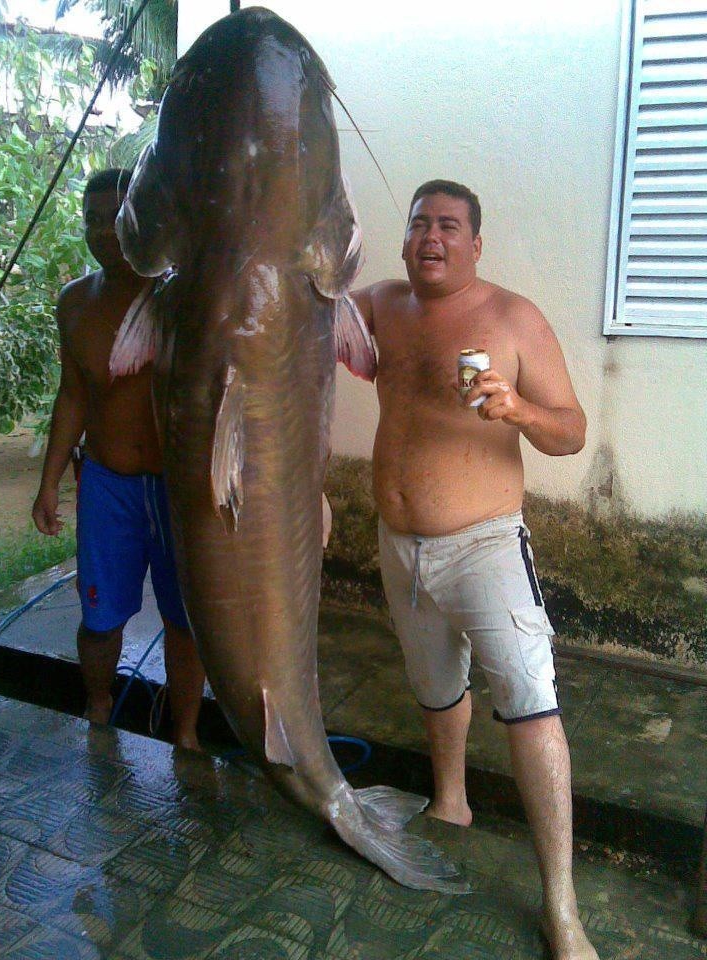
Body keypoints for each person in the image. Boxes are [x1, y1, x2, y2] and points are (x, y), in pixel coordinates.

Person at [352, 180, 597, 960]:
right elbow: (299, 315)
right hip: (401, 545)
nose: (432, 236)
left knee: (530, 705)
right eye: (420, 223)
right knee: (436, 690)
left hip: (487, 544)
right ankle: (449, 801)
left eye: (450, 226)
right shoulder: (378, 307)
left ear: (476, 243)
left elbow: (571, 433)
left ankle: (562, 909)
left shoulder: (513, 317)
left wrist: (517, 409)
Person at [32, 168, 205, 751]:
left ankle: (185, 733)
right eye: (92, 221)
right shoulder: (75, 303)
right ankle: (99, 707)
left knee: (186, 621)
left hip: (177, 490)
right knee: (100, 615)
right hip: (108, 484)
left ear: (144, 218)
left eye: (116, 218)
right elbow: (73, 394)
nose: (104, 232)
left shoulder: (183, 297)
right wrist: (49, 483)